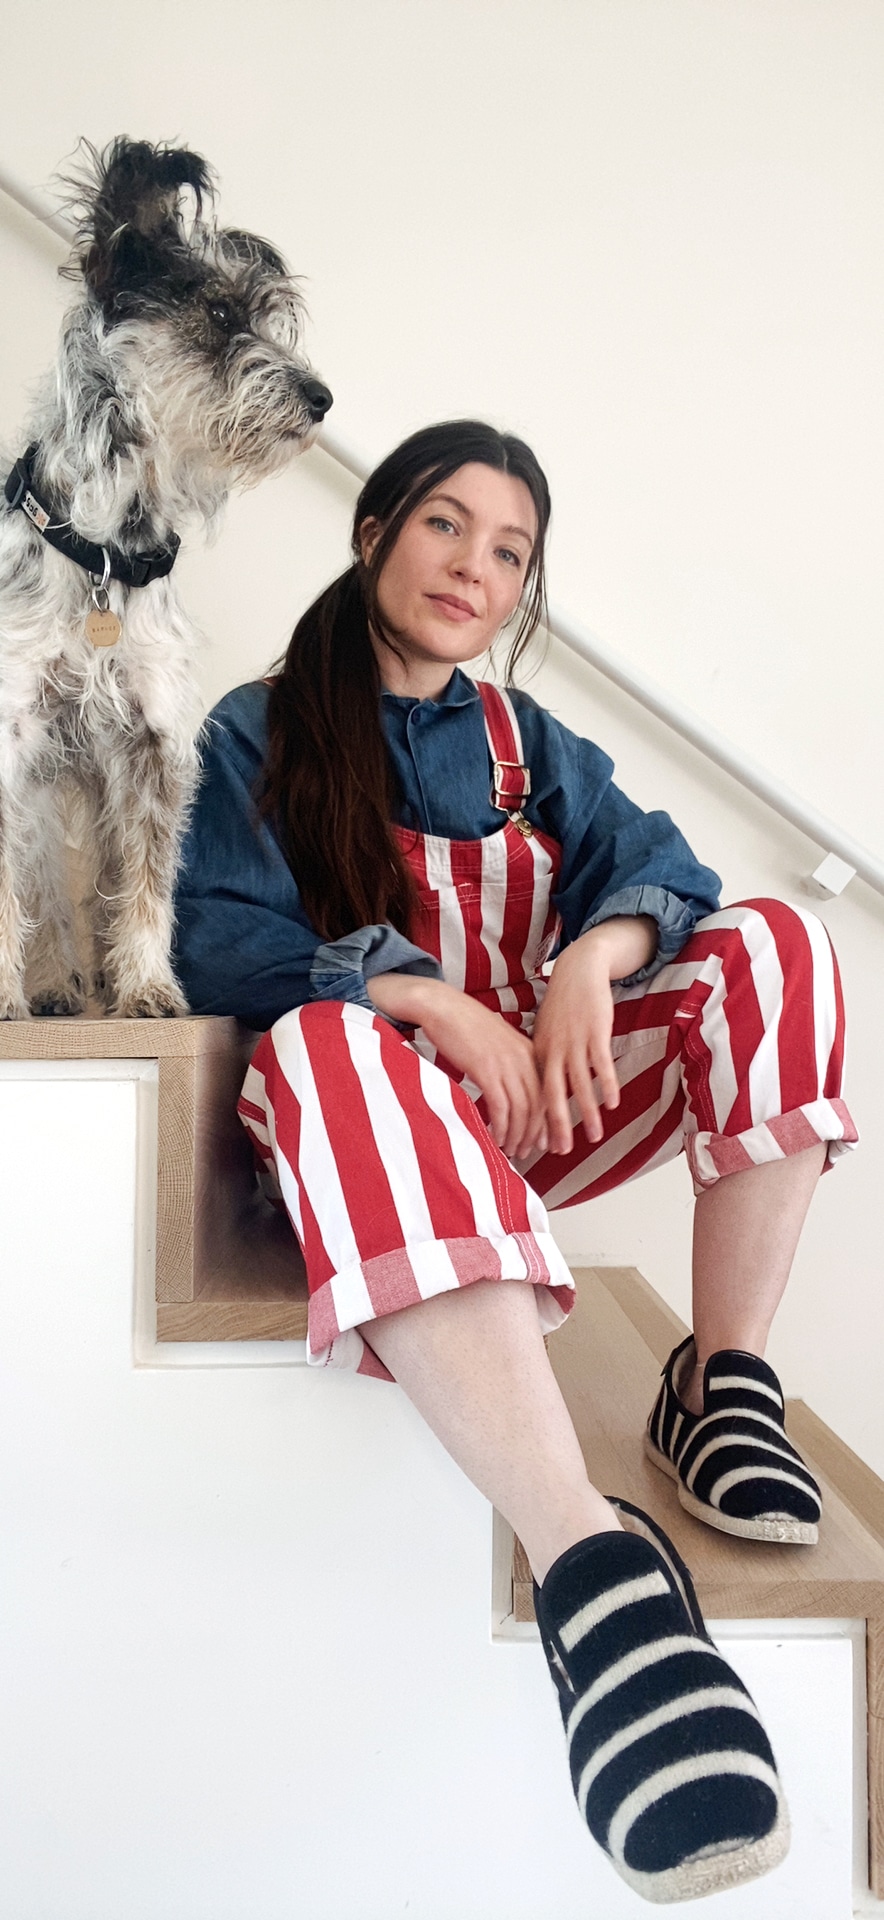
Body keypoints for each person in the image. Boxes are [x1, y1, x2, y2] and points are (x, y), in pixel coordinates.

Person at [173, 419, 857, 1903]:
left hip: (519, 1137)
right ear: (374, 535)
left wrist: (585, 969)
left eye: (510, 550)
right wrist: (420, 993)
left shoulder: (524, 743)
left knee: (777, 939)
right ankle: (593, 1575)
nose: (473, 568)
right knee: (325, 1038)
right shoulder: (255, 727)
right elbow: (216, 939)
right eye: (445, 526)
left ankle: (720, 1377)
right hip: (360, 1150)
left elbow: (659, 863)